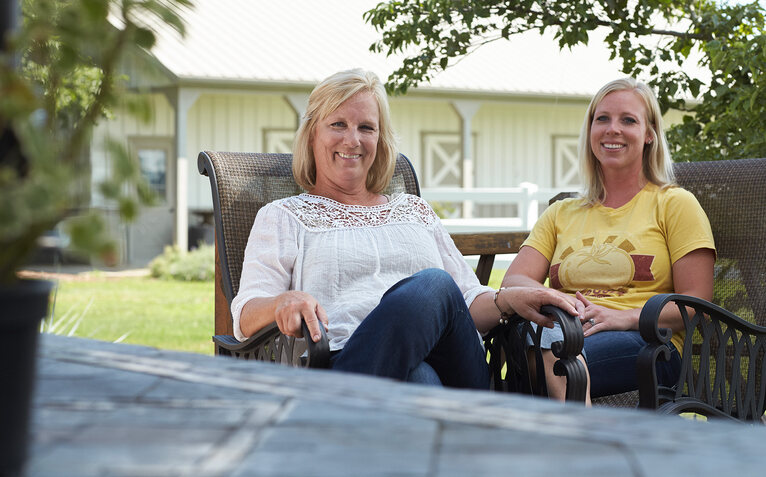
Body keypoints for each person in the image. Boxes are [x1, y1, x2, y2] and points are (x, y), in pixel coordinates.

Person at [230, 68, 582, 389]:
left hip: (453, 370)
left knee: (435, 286)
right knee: (419, 376)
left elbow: (468, 299)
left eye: (366, 127)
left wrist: (509, 300)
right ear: (311, 136)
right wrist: (282, 301)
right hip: (343, 364)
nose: (352, 140)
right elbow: (245, 316)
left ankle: (339, 423)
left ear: (380, 140)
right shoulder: (284, 216)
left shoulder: (414, 210)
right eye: (337, 124)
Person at [503, 77, 716, 400]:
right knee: (538, 344)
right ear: (590, 132)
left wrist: (625, 317)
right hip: (564, 330)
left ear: (649, 135)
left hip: (647, 343)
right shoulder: (561, 213)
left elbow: (697, 303)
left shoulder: (675, 204)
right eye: (602, 119)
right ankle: (583, 438)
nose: (612, 129)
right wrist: (563, 304)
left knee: (552, 356)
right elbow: (515, 279)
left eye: (628, 120)